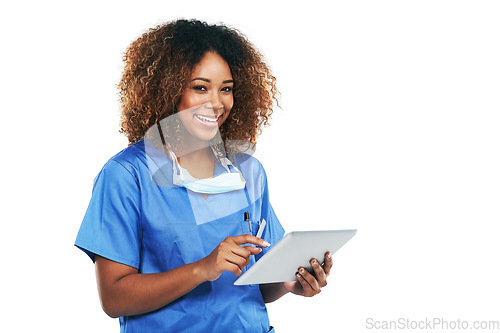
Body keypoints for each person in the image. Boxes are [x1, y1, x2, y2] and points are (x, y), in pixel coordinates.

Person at [75, 19, 333, 332]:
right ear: (167, 90)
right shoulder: (128, 175)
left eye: (226, 89)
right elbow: (114, 298)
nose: (216, 102)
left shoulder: (248, 172)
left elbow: (258, 286)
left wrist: (291, 283)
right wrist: (203, 269)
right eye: (200, 87)